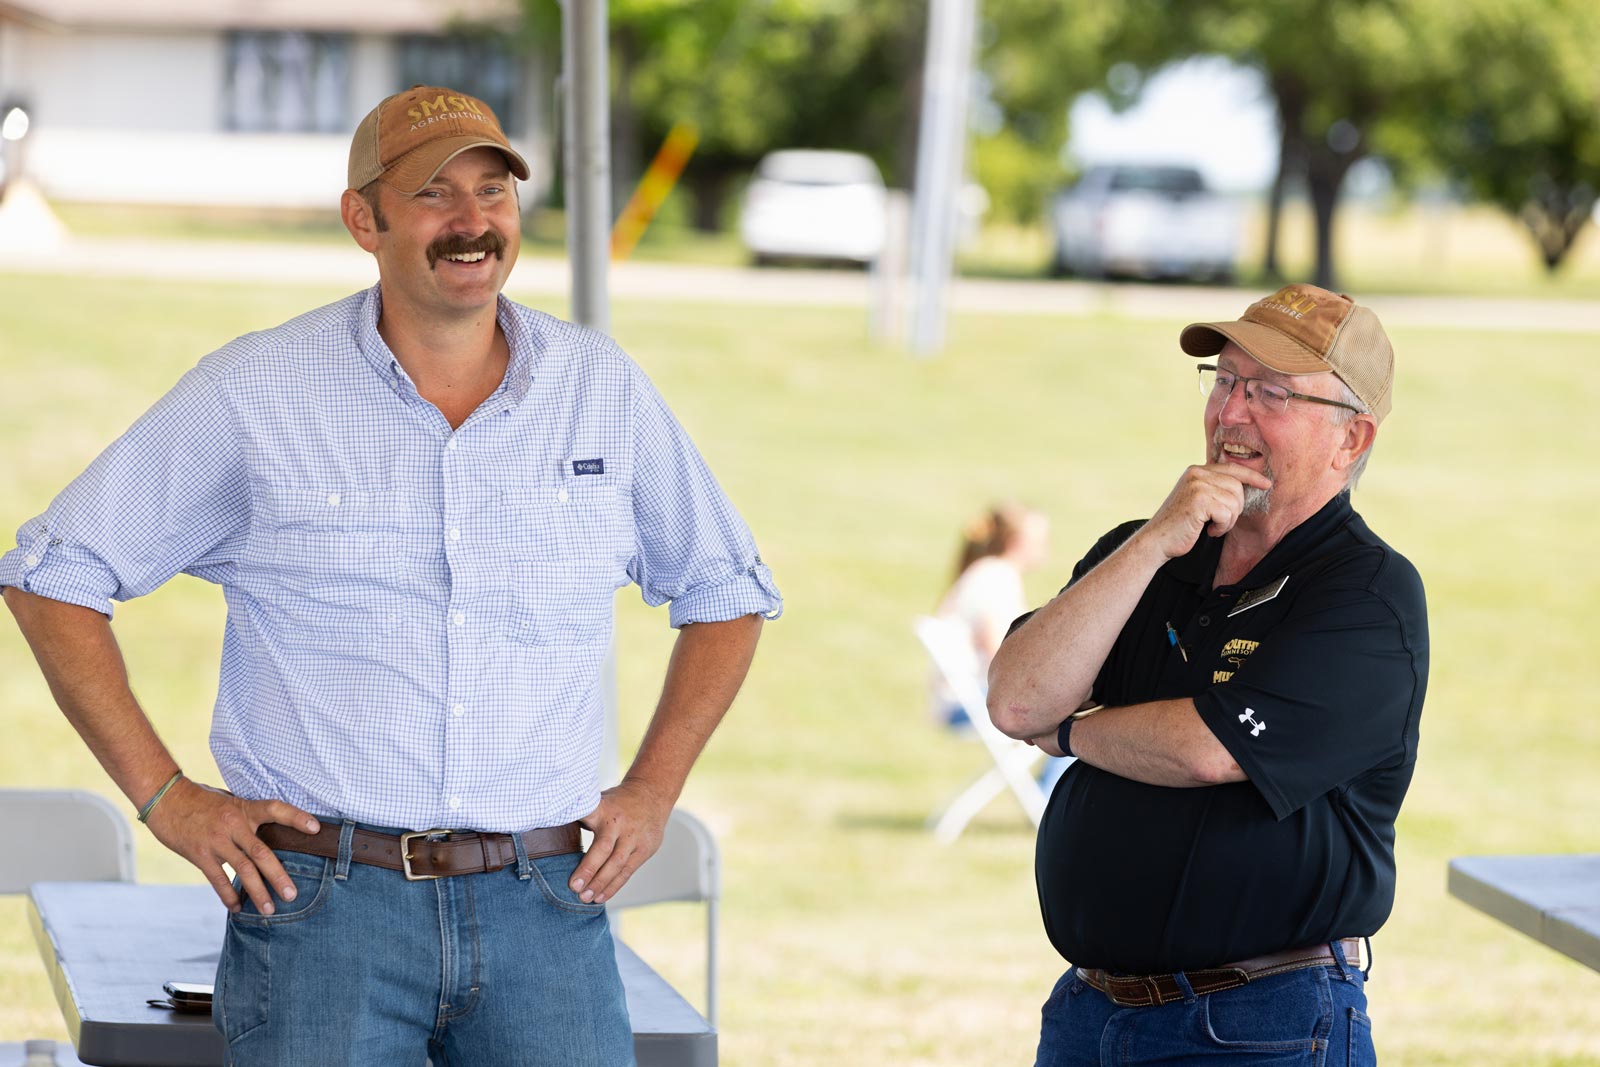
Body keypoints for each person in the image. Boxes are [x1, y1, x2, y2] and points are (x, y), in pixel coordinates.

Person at [0, 84, 781, 1067]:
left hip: (546, 901)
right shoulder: (259, 389)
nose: (472, 224)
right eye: (434, 195)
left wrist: (654, 787)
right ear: (363, 219)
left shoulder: (600, 387)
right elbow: (50, 574)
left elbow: (728, 588)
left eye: (492, 192)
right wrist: (170, 799)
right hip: (325, 909)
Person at [987, 284, 1427, 1066]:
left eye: (1272, 393)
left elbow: (1208, 749)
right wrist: (1156, 540)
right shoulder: (1147, 552)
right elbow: (1016, 697)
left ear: (1351, 439)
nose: (1231, 413)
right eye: (1224, 381)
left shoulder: (1367, 595)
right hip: (1090, 1013)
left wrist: (1071, 731)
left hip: (1262, 1024)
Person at [930, 503, 1049, 729]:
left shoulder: (988, 572)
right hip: (970, 700)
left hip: (967, 695)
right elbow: (997, 651)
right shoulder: (996, 578)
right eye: (1042, 542)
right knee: (1066, 712)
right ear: (1017, 543)